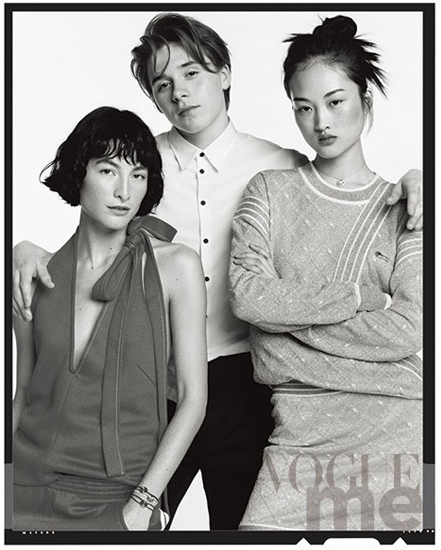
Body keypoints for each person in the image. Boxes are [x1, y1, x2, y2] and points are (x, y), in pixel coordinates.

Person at [12, 13, 423, 530]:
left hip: (250, 386)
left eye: (192, 73)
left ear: (224, 73)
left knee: (240, 529)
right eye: (163, 84)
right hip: (157, 387)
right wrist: (24, 249)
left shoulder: (280, 167)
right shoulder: (139, 168)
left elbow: (339, 186)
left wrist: (413, 180)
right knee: (128, 525)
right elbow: (94, 245)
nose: (180, 93)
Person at [229, 15, 422, 531]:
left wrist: (285, 329)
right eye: (304, 106)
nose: (321, 121)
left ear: (366, 101)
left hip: (397, 430)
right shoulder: (268, 191)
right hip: (298, 434)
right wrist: (362, 299)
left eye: (336, 101)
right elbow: (248, 300)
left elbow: (410, 330)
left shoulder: (406, 209)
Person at [12, 106, 207, 531]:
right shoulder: (35, 273)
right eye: (107, 170)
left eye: (138, 175)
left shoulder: (176, 267)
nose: (124, 191)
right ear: (78, 173)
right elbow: (23, 392)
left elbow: (193, 400)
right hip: (27, 492)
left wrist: (142, 504)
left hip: (122, 497)